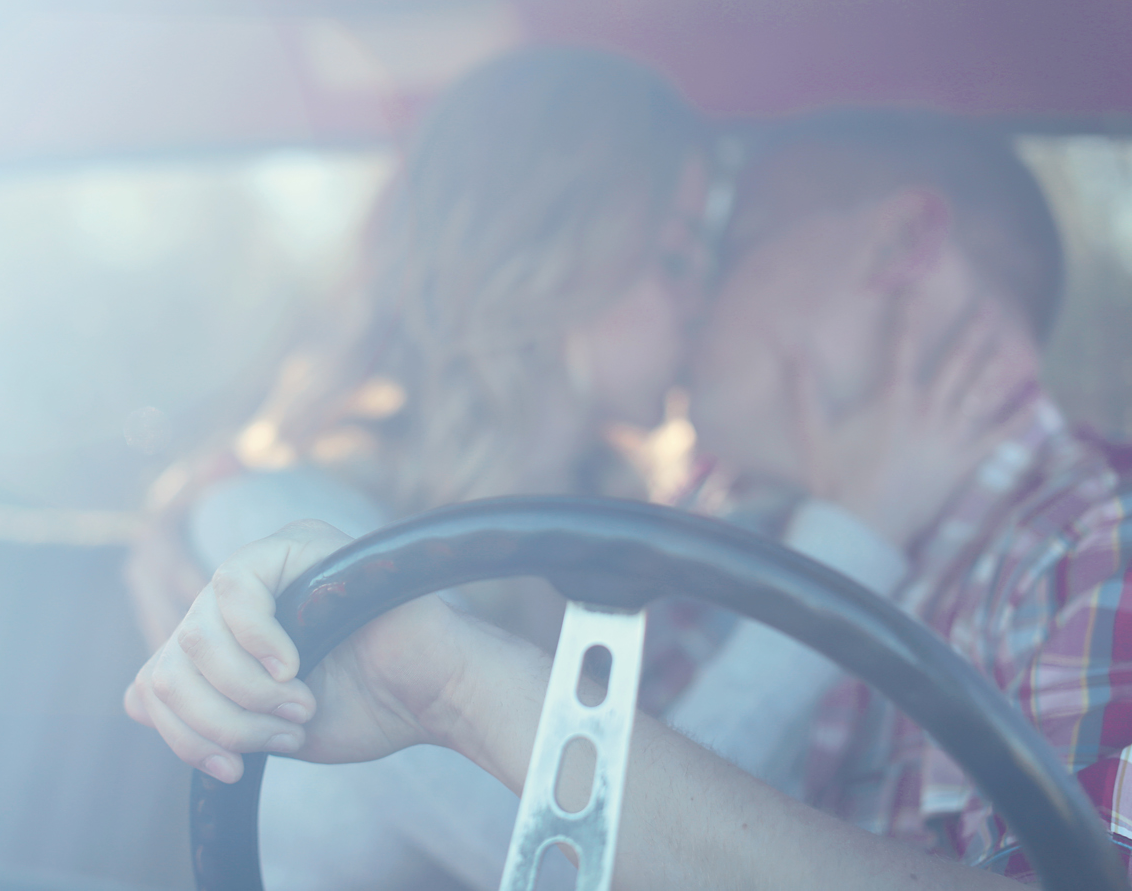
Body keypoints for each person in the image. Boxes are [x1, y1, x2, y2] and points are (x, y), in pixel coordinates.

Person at [127, 112, 1132, 888]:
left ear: (897, 244)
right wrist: (197, 508)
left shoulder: (1095, 544)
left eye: (721, 248)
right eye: (674, 261)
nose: (695, 307)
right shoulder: (709, 524)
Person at [126, 45, 711, 891]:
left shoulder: (633, 542)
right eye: (676, 256)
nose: (699, 299)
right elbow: (564, 868)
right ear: (558, 256)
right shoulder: (281, 525)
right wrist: (857, 532)